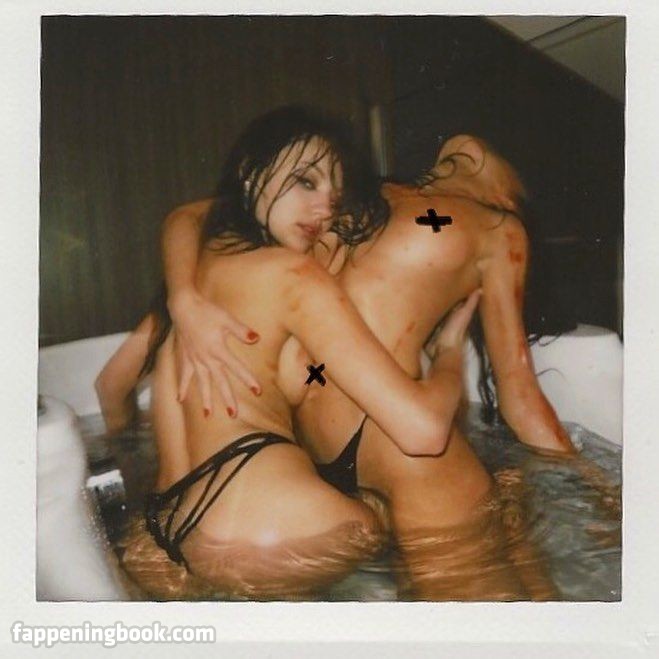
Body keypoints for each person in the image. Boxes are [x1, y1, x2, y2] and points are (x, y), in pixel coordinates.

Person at [162, 133, 574, 600]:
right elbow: (189, 216)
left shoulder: (499, 227)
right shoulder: (347, 192)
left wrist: (587, 486)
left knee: (497, 624)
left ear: (510, 194)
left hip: (399, 455)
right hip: (333, 466)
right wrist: (183, 299)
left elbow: (519, 396)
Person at [95, 107, 479, 601]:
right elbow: (423, 433)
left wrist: (126, 445)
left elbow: (110, 387)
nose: (323, 209)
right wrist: (448, 355)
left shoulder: (187, 291)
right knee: (429, 518)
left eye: (334, 197)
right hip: (272, 526)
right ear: (249, 175)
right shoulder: (295, 278)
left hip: (165, 532)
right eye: (305, 181)